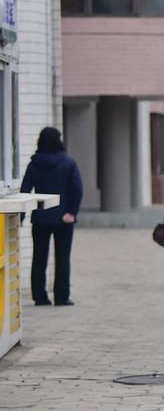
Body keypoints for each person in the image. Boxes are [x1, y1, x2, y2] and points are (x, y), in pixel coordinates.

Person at [20, 127, 83, 307]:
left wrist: (22, 216)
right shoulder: (68, 163)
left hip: (40, 218)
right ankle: (61, 297)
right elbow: (77, 189)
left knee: (39, 256)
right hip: (64, 218)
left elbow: (25, 190)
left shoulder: (34, 164)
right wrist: (71, 212)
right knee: (62, 257)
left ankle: (40, 297)